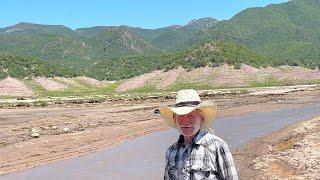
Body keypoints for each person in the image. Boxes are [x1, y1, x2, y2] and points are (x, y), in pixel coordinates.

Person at [159, 89, 238, 180]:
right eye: (181, 116)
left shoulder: (217, 146)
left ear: (202, 118)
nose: (185, 121)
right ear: (174, 119)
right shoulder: (171, 152)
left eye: (190, 115)